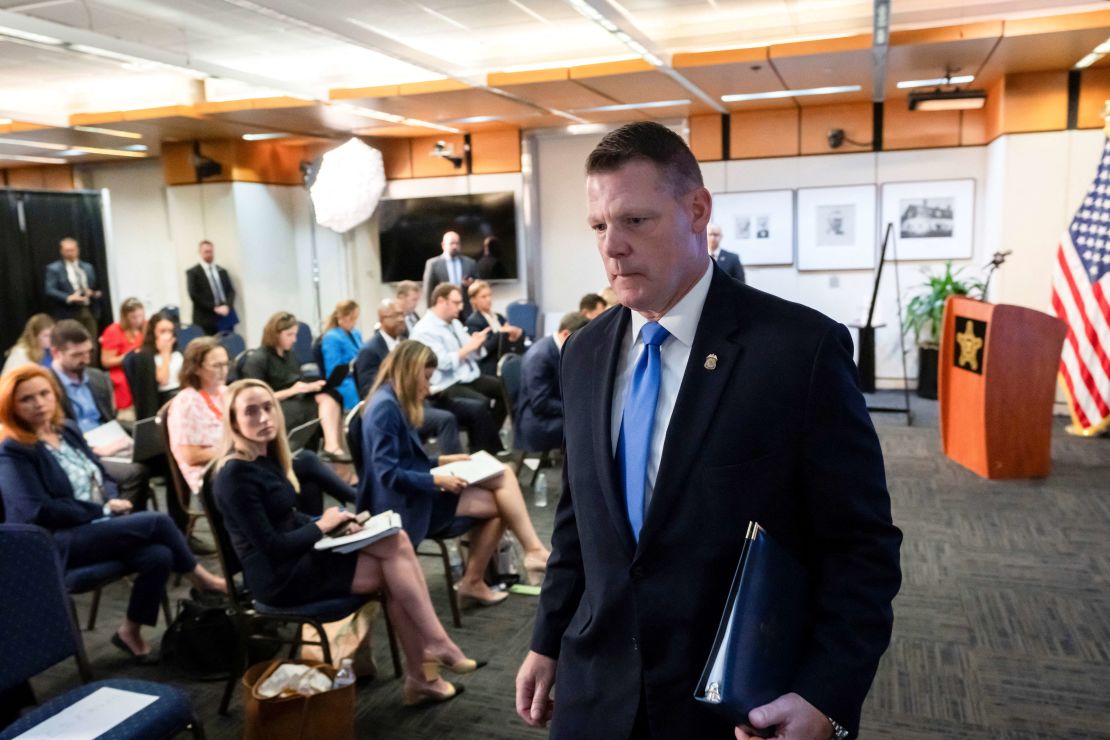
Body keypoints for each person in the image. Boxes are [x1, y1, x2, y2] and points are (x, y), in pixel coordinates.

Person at [515, 122, 902, 740]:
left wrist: (825, 697)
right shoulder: (584, 352)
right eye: (598, 226)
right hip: (597, 690)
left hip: (734, 704)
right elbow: (578, 519)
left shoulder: (798, 351)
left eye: (635, 221)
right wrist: (548, 639)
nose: (611, 248)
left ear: (697, 211)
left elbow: (861, 547)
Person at [213, 378, 482, 706]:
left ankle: (428, 666)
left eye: (268, 407)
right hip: (279, 579)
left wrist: (337, 523)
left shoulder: (265, 457)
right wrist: (322, 527)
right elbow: (271, 546)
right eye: (251, 412)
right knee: (394, 567)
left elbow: (288, 518)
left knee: (395, 541)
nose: (264, 418)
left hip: (302, 556)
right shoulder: (234, 476)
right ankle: (430, 661)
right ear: (233, 421)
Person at [0, 365, 225, 662]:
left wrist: (111, 498)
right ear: (11, 407)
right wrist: (103, 508)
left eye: (44, 394)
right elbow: (37, 510)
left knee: (158, 555)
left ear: (55, 394)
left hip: (97, 525)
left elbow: (100, 472)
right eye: (26, 399)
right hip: (58, 541)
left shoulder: (66, 428)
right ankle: (203, 580)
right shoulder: (14, 450)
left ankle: (128, 631)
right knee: (157, 521)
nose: (39, 403)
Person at [359, 341, 549, 607]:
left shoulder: (390, 400)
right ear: (410, 372)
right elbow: (388, 474)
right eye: (425, 379)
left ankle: (517, 559)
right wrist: (437, 478)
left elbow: (405, 459)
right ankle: (513, 561)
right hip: (404, 505)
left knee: (503, 489)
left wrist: (442, 460)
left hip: (413, 492)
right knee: (502, 497)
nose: (428, 388)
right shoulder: (385, 408)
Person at [50, 320, 153, 511]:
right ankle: (124, 524)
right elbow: (52, 437)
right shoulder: (46, 386)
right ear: (56, 353)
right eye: (77, 355)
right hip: (80, 450)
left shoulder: (96, 377)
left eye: (88, 352)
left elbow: (109, 419)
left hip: (110, 440)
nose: (86, 359)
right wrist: (96, 450)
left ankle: (178, 522)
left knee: (165, 457)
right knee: (136, 473)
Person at [354, 300, 463, 455]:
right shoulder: (370, 350)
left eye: (402, 314)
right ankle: (456, 469)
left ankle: (477, 459)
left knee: (470, 407)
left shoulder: (405, 343)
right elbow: (368, 390)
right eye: (395, 315)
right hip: (399, 406)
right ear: (382, 319)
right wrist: (409, 388)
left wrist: (426, 387)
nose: (401, 319)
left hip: (418, 400)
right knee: (446, 419)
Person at [411, 283, 506, 453]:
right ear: (441, 301)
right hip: (445, 384)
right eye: (456, 303)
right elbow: (441, 363)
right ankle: (483, 449)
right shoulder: (425, 329)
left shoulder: (453, 323)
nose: (461, 307)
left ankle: (489, 439)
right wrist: (470, 347)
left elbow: (472, 352)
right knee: (480, 404)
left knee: (505, 390)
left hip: (466, 376)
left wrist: (476, 343)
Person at [241, 311, 347, 460]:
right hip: (274, 405)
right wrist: (292, 391)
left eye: (295, 334)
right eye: (289, 335)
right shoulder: (258, 359)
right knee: (317, 404)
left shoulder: (288, 355)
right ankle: (331, 447)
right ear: (276, 334)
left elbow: (296, 380)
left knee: (331, 395)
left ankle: (333, 446)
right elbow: (256, 398)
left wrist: (310, 386)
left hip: (293, 398)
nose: (294, 339)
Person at [516, 312, 588, 452]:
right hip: (538, 423)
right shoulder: (540, 356)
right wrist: (576, 409)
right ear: (566, 334)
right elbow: (541, 404)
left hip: (548, 413)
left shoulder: (555, 347)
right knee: (589, 425)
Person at [43, 237, 102, 343]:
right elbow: (50, 290)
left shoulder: (88, 267)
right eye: (67, 250)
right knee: (70, 342)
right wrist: (69, 297)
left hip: (88, 310)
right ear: (61, 251)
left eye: (72, 250)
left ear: (77, 250)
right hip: (67, 312)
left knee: (91, 342)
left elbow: (96, 288)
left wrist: (92, 293)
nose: (70, 253)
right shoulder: (54, 269)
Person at [129, 312, 184, 421]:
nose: (167, 336)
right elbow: (163, 380)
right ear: (153, 333)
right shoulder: (145, 357)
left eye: (170, 331)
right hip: (162, 402)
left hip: (181, 398)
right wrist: (165, 354)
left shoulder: (178, 354)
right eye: (162, 331)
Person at [464, 280, 524, 377]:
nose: (488, 299)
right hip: (489, 363)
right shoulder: (473, 321)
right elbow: (482, 351)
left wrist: (516, 334)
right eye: (483, 297)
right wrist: (500, 333)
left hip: (504, 358)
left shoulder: (499, 317)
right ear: (473, 300)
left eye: (490, 295)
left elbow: (509, 340)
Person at [99, 297, 146, 413]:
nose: (138, 320)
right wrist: (129, 357)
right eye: (133, 317)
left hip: (142, 369)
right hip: (122, 371)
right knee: (123, 381)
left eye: (140, 316)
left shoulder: (146, 326)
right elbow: (106, 361)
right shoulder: (114, 331)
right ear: (125, 317)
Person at [185, 240, 236, 335]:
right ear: (200, 253)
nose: (209, 254)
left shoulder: (221, 271)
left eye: (211, 251)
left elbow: (231, 291)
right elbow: (194, 295)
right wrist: (214, 308)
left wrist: (227, 306)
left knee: (229, 343)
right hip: (206, 318)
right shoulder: (193, 272)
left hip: (225, 315)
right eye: (206, 252)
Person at [421, 231, 478, 317]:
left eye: (457, 243)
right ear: (443, 245)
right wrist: (430, 312)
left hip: (466, 311)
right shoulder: (433, 264)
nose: (455, 246)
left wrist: (471, 283)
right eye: (452, 243)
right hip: (443, 311)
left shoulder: (470, 263)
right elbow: (428, 291)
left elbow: (478, 285)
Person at [320, 300, 363, 413]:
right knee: (355, 391)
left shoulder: (356, 333)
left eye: (355, 318)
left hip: (358, 375)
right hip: (344, 381)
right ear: (343, 317)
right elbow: (333, 371)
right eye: (352, 318)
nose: (354, 322)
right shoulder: (331, 337)